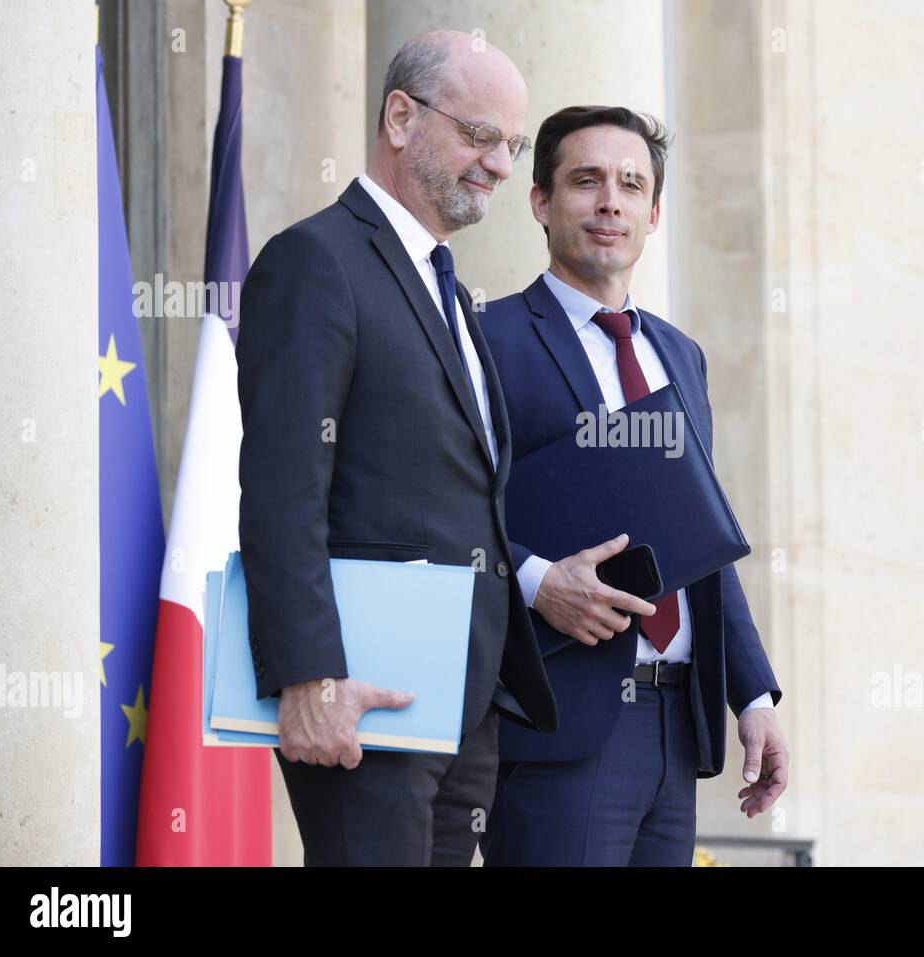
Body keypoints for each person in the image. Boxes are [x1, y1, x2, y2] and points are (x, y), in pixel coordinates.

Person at [235, 31, 555, 866]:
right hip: (361, 698)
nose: (498, 164)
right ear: (401, 116)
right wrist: (309, 677)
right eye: (480, 135)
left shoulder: (450, 292)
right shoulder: (315, 261)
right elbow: (282, 489)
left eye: (512, 147)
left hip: (460, 698)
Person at [480, 106, 789, 866]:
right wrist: (535, 580)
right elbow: (448, 508)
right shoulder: (487, 339)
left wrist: (752, 696)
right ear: (541, 202)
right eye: (585, 181)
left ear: (653, 213)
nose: (609, 201)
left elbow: (703, 541)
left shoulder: (681, 357)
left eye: (630, 184)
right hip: (558, 723)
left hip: (674, 728)